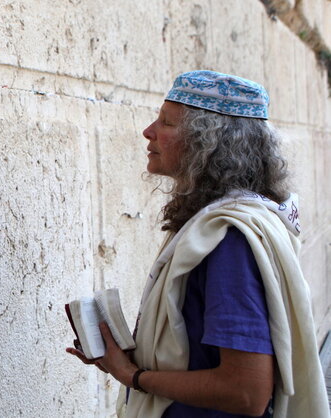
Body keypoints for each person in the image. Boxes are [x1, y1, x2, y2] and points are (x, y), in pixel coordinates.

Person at [66, 70, 330, 418]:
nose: (149, 132)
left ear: (210, 143)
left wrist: (133, 376)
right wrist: (131, 359)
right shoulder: (219, 227)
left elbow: (246, 392)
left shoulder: (228, 242)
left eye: (167, 123)